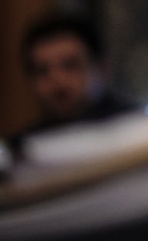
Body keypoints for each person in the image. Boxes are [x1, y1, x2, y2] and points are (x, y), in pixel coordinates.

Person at [10, 13, 137, 153]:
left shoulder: (139, 131)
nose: (58, 80)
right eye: (43, 71)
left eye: (70, 65)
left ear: (102, 68)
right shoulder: (24, 149)